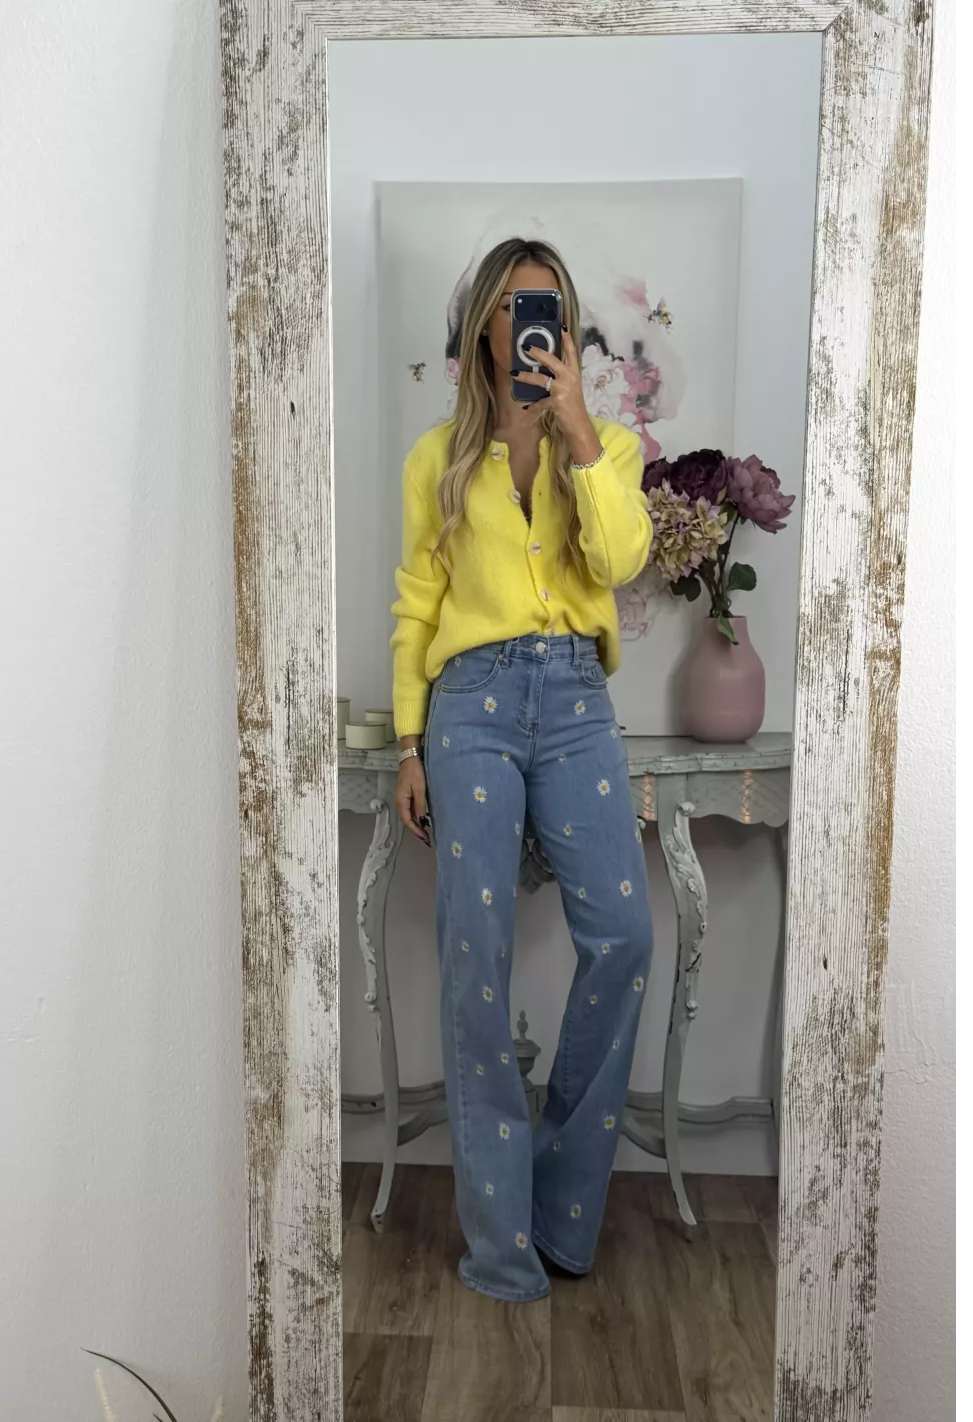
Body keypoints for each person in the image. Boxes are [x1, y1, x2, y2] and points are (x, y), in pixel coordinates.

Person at [390, 237, 655, 1303]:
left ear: (566, 326)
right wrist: (408, 743)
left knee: (624, 935)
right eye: (508, 305)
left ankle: (560, 1211)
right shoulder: (436, 458)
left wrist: (579, 431)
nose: (526, 324)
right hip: (471, 707)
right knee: (475, 958)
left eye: (544, 306)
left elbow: (622, 560)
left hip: (577, 705)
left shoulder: (611, 448)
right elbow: (417, 603)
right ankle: (498, 1248)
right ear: (483, 328)